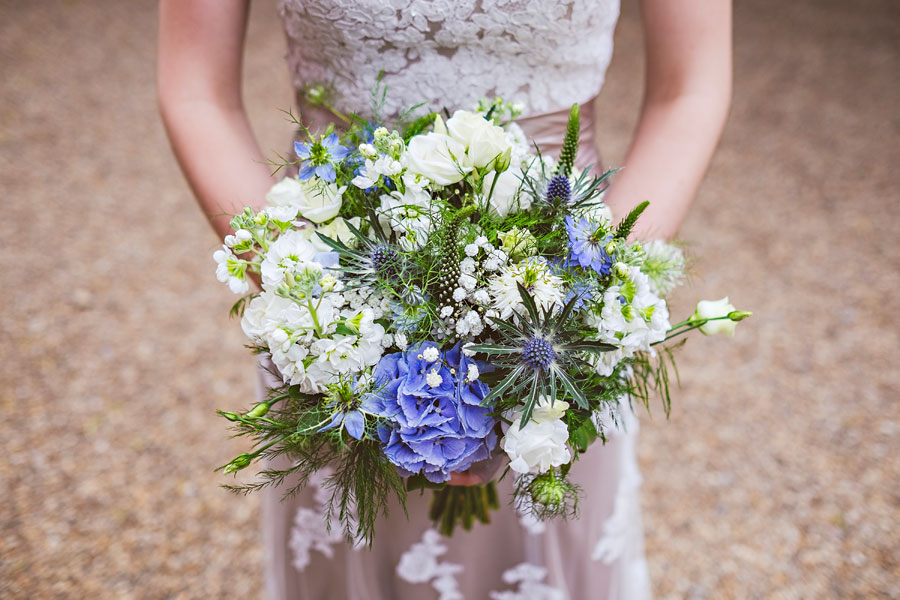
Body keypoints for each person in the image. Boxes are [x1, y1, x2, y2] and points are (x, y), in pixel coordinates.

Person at [158, 1, 731, 598]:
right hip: (338, 304)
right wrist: (317, 313)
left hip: (556, 317)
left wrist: (591, 303)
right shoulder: (330, 326)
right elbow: (197, 92)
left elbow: (689, 89)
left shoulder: (569, 314)